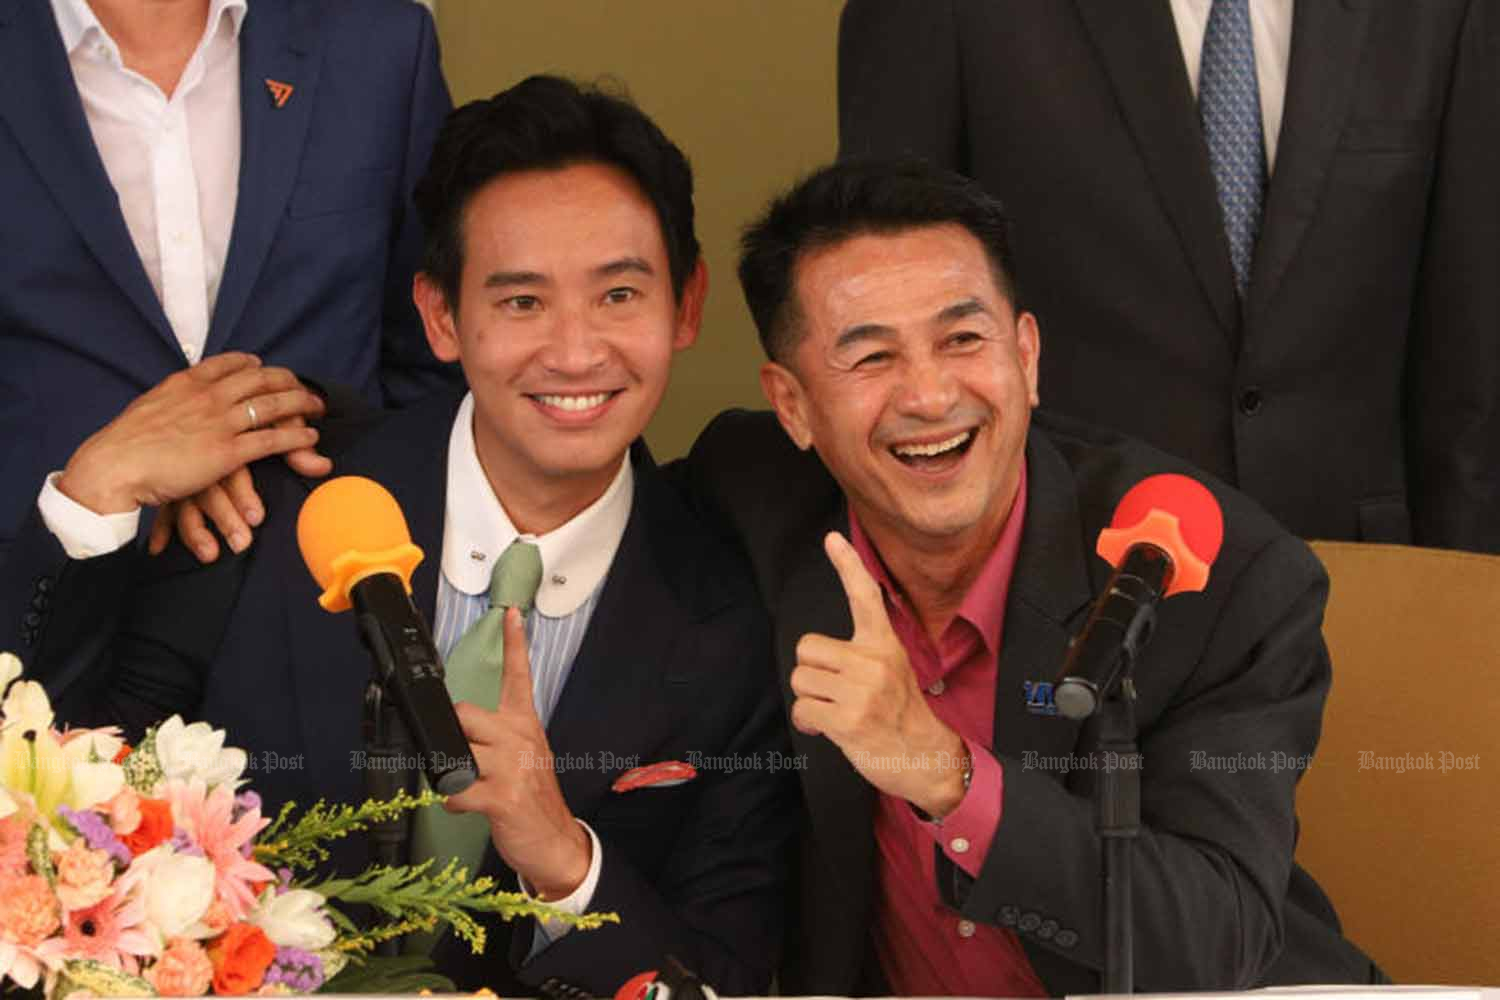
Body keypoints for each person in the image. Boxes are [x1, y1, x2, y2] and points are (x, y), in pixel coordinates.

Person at [3, 77, 793, 996]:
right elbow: (64, 785)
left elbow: (724, 977)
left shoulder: (732, 617)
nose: (577, 353)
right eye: (522, 302)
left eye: (619, 294)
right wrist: (93, 493)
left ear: (687, 306)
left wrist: (567, 866)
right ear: (440, 317)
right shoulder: (273, 495)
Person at [683, 159, 1381, 995]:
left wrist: (948, 775)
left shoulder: (1217, 575)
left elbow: (1216, 936)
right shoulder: (752, 499)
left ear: (1027, 354)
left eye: (963, 339)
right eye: (870, 358)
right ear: (792, 407)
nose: (932, 396)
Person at [837, 0, 1500, 553]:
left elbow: (1468, 365)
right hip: (1064, 575)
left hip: (1366, 578)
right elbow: (877, 302)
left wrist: (1467, 611)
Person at [0, 0, 462, 562]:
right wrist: (94, 492)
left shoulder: (377, 42)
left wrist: (298, 425)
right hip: (40, 590)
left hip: (324, 579)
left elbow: (439, 351)